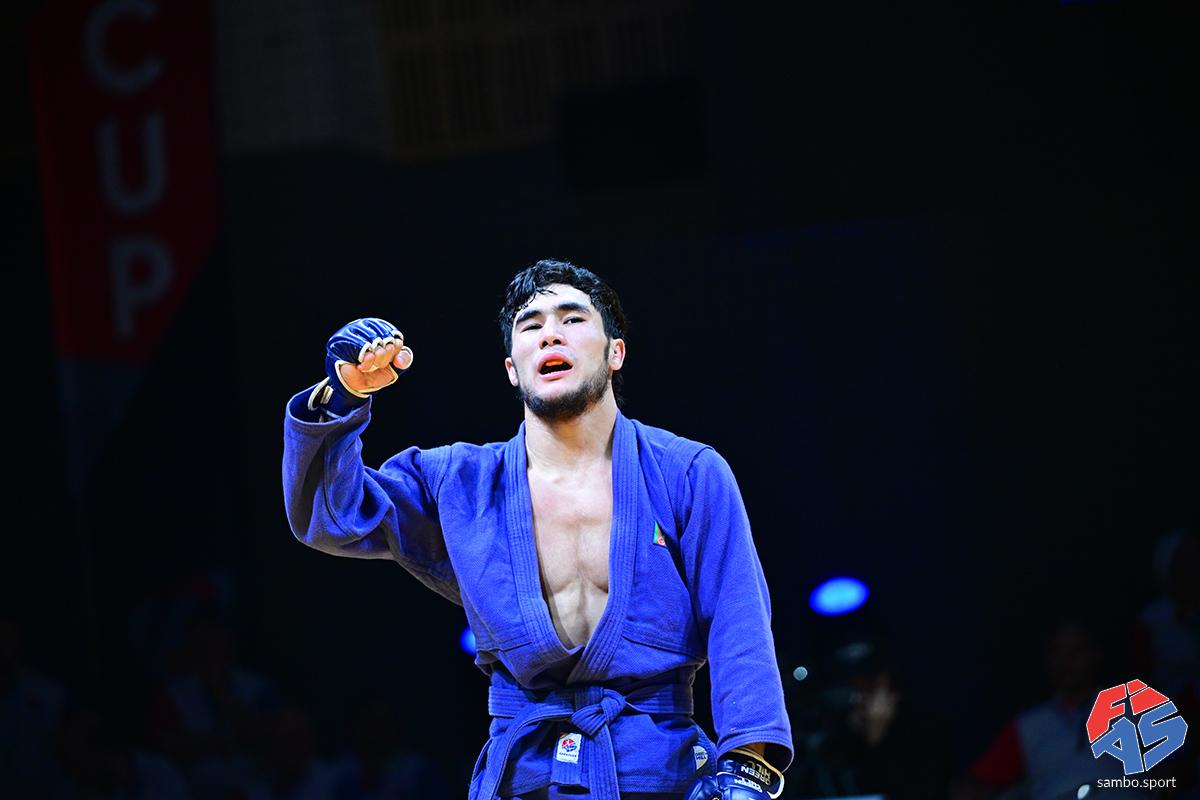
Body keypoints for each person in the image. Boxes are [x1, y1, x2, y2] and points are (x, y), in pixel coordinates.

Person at [281, 260, 792, 800]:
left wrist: (748, 767)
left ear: (615, 353)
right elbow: (331, 517)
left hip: (661, 772)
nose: (550, 333)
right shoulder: (461, 484)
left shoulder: (686, 473)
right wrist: (344, 398)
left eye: (572, 319)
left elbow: (738, 622)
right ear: (511, 368)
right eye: (531, 325)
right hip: (525, 776)